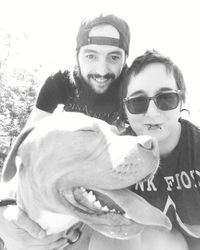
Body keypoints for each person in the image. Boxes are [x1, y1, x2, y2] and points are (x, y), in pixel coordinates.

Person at [0, 13, 130, 250]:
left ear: (125, 59)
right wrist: (4, 206)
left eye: (114, 57)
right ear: (77, 55)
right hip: (62, 182)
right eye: (91, 56)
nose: (102, 70)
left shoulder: (132, 86)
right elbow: (27, 147)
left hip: (110, 185)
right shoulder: (59, 83)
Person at [121, 49, 200, 249]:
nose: (152, 113)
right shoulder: (115, 156)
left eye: (165, 98)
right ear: (125, 109)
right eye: (138, 102)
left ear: (181, 100)